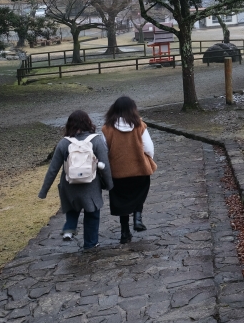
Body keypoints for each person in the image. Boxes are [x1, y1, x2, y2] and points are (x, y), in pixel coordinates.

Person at [38, 110, 112, 250]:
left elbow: (53, 169)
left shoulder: (63, 143)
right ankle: (90, 244)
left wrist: (44, 191)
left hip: (69, 185)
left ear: (69, 124)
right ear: (88, 122)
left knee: (72, 209)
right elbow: (105, 166)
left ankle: (69, 229)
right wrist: (109, 184)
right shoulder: (95, 140)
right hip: (90, 186)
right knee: (92, 214)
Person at [102, 95, 157, 244]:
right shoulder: (140, 125)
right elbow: (149, 148)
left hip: (118, 173)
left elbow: (103, 151)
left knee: (122, 201)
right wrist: (147, 159)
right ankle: (138, 216)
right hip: (139, 170)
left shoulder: (107, 129)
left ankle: (124, 232)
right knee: (140, 191)